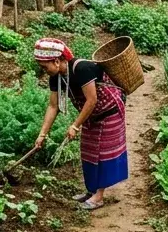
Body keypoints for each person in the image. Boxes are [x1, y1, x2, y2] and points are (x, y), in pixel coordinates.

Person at [33, 38, 127, 211]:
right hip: (92, 115)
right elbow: (53, 106)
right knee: (89, 151)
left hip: (109, 111)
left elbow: (92, 100)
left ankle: (98, 197)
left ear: (56, 61)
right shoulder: (56, 77)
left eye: (44, 67)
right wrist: (42, 134)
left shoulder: (81, 69)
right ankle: (91, 191)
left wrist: (75, 125)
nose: (43, 71)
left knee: (102, 153)